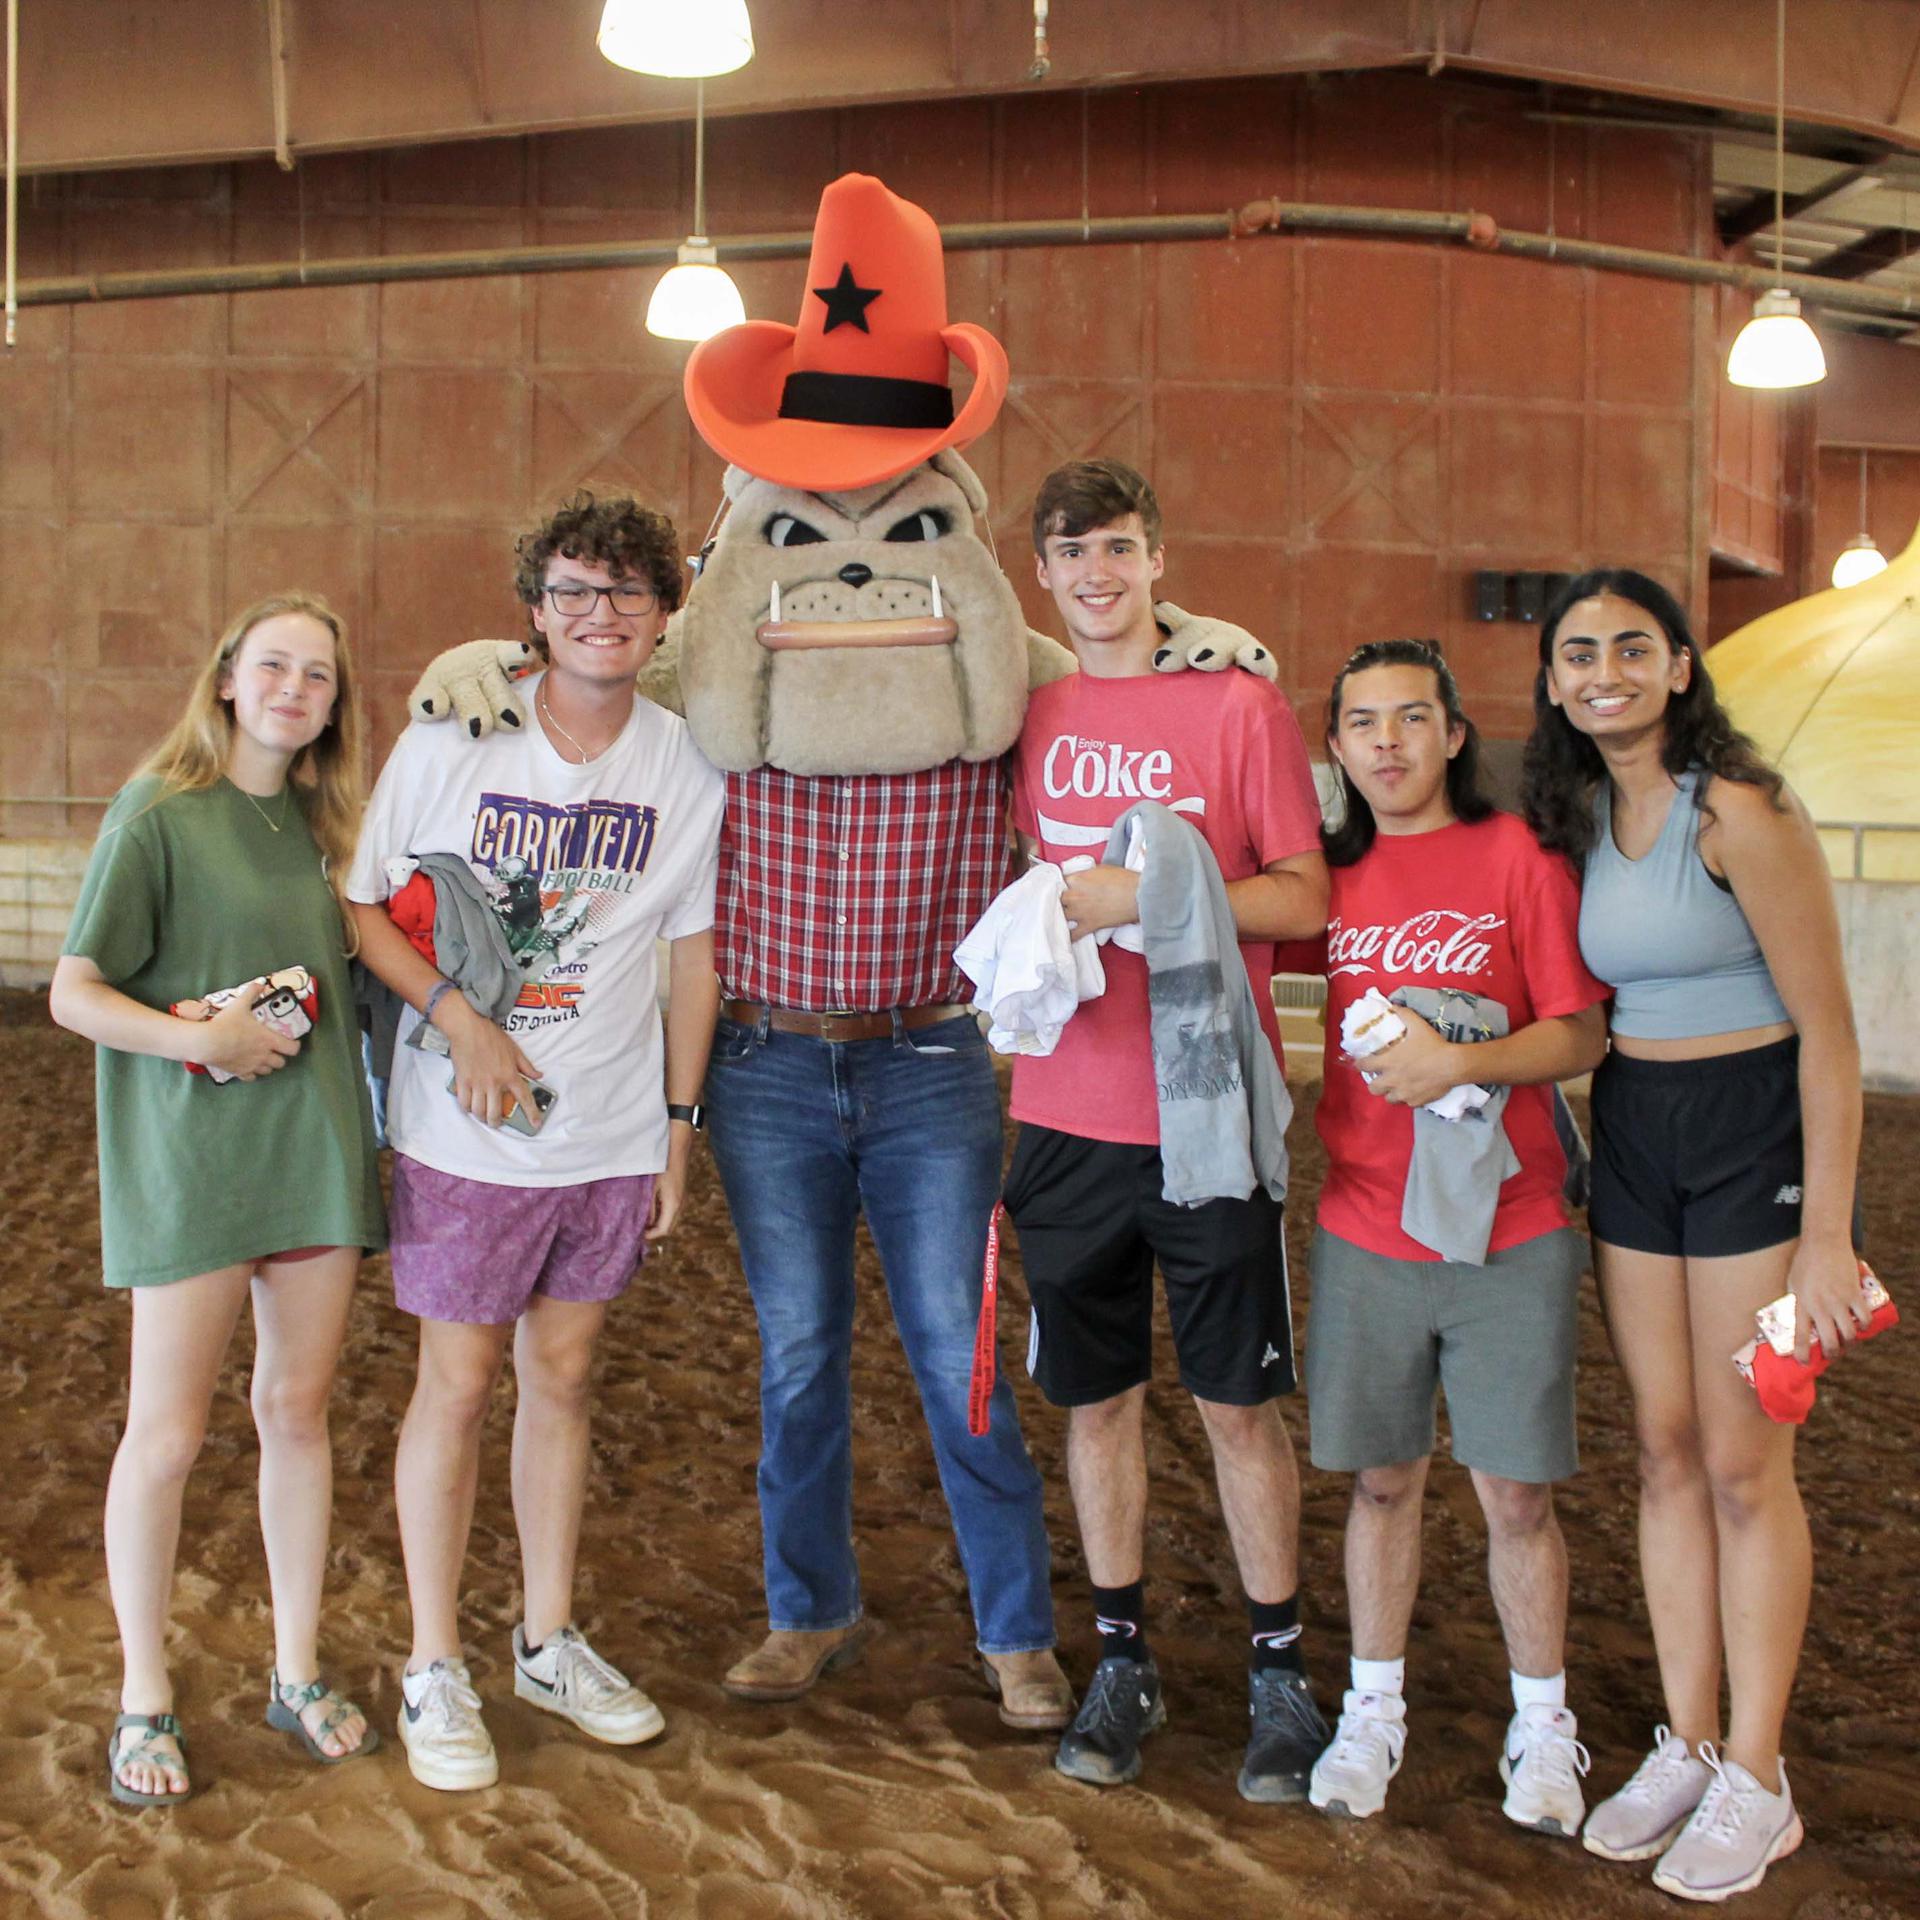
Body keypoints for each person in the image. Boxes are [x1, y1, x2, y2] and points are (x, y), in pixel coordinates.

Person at [347, 493, 725, 1790]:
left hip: (608, 1134)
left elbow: (689, 955)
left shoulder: (684, 762)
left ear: (664, 613)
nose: (598, 613)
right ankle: (433, 1662)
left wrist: (678, 1128)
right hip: (467, 1137)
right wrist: (460, 1022)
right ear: (535, 606)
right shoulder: (455, 735)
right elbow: (367, 910)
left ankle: (547, 1638)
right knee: (452, 1387)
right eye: (572, 590)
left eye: (625, 592)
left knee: (562, 1381)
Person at [1523, 570, 1866, 1902]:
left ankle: (1760, 1780)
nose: (1603, 669)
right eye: (1578, 652)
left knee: (1740, 1463)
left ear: (1678, 666)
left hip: (1752, 1140)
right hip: (1638, 1130)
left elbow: (1833, 1037)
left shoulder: (1740, 806)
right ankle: (1691, 1739)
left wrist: (1825, 1235)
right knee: (1663, 1454)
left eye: (1630, 646)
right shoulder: (1582, 812)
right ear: (1552, 682)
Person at [999, 458, 1332, 1796]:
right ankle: (1122, 1660)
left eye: (1120, 548)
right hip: (1063, 1114)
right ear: (1042, 572)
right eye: (1073, 553)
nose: (1098, 574)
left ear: (1156, 556)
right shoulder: (1025, 715)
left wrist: (1146, 899)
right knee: (1097, 1402)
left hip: (1203, 1108)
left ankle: (1280, 1673)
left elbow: (1302, 896)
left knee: (1239, 1404)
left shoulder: (1239, 707)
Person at [51, 591, 386, 1805]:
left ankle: (295, 1671)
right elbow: (74, 993)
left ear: (337, 704)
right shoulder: (159, 812)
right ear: (230, 680)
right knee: (170, 1434)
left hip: (310, 1155)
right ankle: (146, 1692)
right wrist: (203, 1041)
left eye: (321, 675)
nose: (297, 688)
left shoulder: (329, 829)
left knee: (297, 1412)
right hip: (193, 1159)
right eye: (276, 666)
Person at [1298, 638, 1608, 1832]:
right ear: (1337, 747)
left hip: (1510, 1228)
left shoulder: (1517, 858)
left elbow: (1578, 1037)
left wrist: (1461, 1063)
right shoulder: (1328, 881)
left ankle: (1544, 1728)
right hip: (1366, 1225)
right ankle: (1373, 1711)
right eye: (1363, 723)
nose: (1388, 743)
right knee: (1382, 1485)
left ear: (1454, 733)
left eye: (1411, 719)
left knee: (1517, 1496)